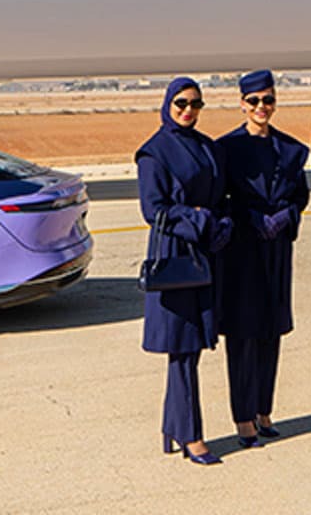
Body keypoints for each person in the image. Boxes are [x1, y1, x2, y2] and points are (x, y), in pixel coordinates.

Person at [138, 77, 232, 465]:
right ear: (167, 104)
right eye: (181, 104)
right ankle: (191, 435)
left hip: (206, 253)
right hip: (176, 256)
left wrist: (220, 224)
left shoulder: (208, 147)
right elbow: (153, 209)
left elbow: (222, 196)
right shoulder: (154, 152)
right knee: (182, 348)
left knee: (193, 349)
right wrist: (196, 218)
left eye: (196, 104)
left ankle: (174, 425)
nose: (188, 111)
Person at [214, 69, 310, 448]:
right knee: (243, 335)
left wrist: (288, 215)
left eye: (267, 100)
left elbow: (300, 194)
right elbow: (219, 198)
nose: (261, 107)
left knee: (271, 331)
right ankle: (243, 418)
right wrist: (248, 217)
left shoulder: (288, 149)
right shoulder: (226, 148)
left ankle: (264, 410)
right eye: (253, 101)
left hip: (276, 251)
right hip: (241, 254)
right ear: (242, 104)